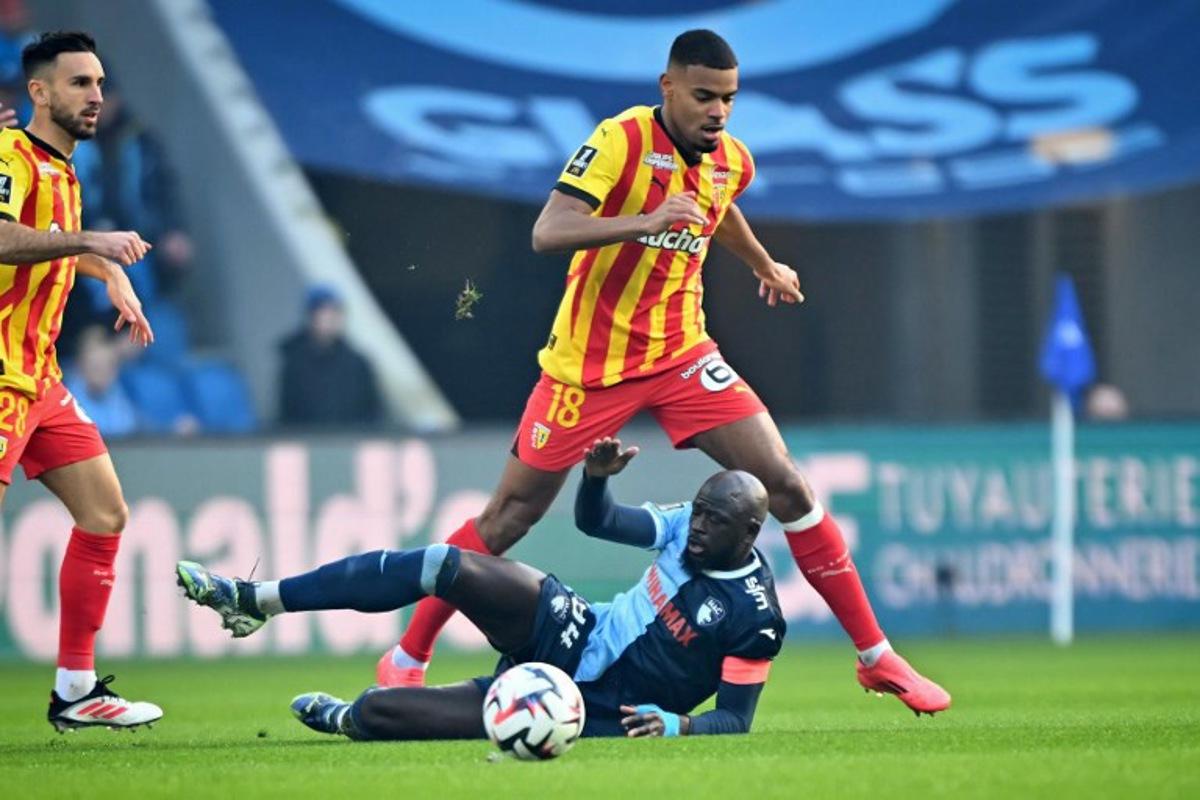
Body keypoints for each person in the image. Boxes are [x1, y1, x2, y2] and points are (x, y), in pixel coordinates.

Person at [378, 29, 949, 715]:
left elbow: (718, 208)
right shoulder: (619, 142)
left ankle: (875, 656)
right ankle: (407, 655)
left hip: (682, 354)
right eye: (705, 96)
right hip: (588, 368)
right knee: (507, 520)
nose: (718, 112)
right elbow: (548, 231)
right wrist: (645, 221)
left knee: (788, 486)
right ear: (668, 87)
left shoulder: (730, 160)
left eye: (730, 99)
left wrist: (762, 263)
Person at [177, 437, 788, 739]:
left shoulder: (753, 616)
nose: (699, 527)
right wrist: (595, 480)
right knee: (450, 563)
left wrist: (675, 725)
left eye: (715, 521)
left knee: (379, 712)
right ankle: (256, 600)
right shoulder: (686, 524)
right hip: (576, 628)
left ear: (751, 531)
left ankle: (344, 717)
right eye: (701, 512)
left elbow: (735, 719)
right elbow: (597, 522)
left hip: (601, 709)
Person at [0, 31, 160, 731]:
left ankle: (75, 689)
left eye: (98, 83)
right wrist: (95, 243)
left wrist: (108, 271)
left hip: (40, 378)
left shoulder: (63, 171)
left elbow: (47, 250)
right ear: (38, 92)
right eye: (79, 84)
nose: (97, 96)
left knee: (104, 514)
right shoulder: (9, 155)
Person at [277, 284, 382, 428]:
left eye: (336, 312)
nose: (331, 318)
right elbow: (287, 415)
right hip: (309, 442)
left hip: (350, 442)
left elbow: (372, 413)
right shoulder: (294, 364)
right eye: (325, 312)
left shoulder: (357, 363)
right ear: (311, 316)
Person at [64, 325, 138, 438]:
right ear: (80, 365)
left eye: (109, 366)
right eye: (96, 367)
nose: (103, 374)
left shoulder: (120, 397)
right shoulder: (64, 403)